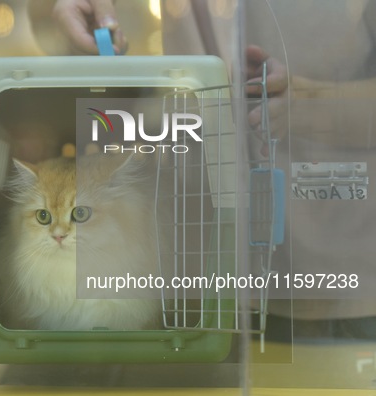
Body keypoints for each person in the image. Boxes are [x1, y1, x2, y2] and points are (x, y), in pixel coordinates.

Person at [22, 0, 376, 386]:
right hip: (188, 289)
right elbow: (46, 22)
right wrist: (59, 13)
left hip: (335, 275)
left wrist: (309, 100)